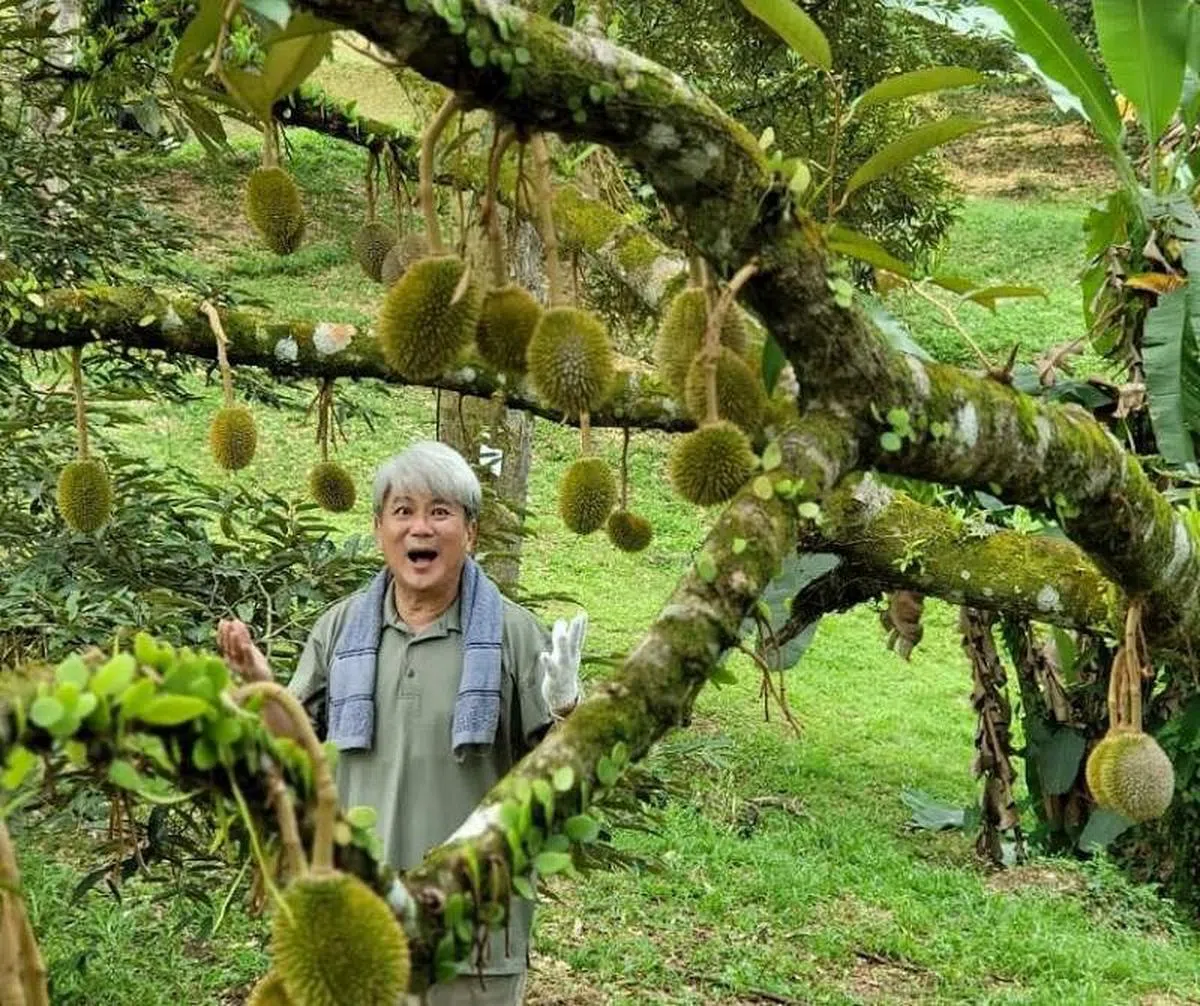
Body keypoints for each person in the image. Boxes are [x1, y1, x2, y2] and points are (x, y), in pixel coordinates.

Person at [217, 441, 585, 1006]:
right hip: (358, 927)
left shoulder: (514, 636)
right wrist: (261, 689)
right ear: (379, 529)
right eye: (403, 511)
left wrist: (568, 711)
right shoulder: (340, 630)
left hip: (475, 937)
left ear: (471, 533)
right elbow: (296, 754)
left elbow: (566, 782)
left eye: (441, 512)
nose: (421, 528)